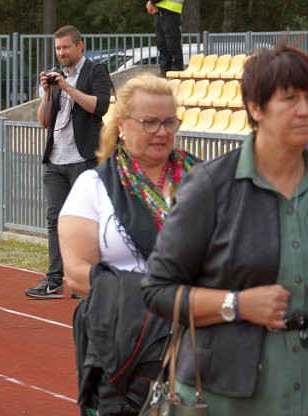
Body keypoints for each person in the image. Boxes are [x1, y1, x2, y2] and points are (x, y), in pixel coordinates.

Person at [142, 45, 308, 414]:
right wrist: (236, 305)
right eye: (290, 99)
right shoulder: (211, 187)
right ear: (256, 108)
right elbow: (158, 291)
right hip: (225, 395)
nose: (305, 110)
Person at [60, 74, 197, 415]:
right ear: (121, 125)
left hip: (196, 339)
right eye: (149, 122)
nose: (162, 132)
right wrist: (160, 297)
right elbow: (76, 274)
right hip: (120, 342)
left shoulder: (203, 180)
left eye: (169, 122)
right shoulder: (93, 186)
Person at [27, 25, 112, 299]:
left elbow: (99, 107)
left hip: (83, 158)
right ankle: (54, 280)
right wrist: (49, 93)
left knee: (86, 220)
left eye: (65, 48)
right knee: (55, 220)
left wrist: (67, 88)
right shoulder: (56, 76)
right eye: (58, 49)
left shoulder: (95, 71)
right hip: (55, 158)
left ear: (80, 46)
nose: (61, 53)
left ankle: (87, 280)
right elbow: (43, 121)